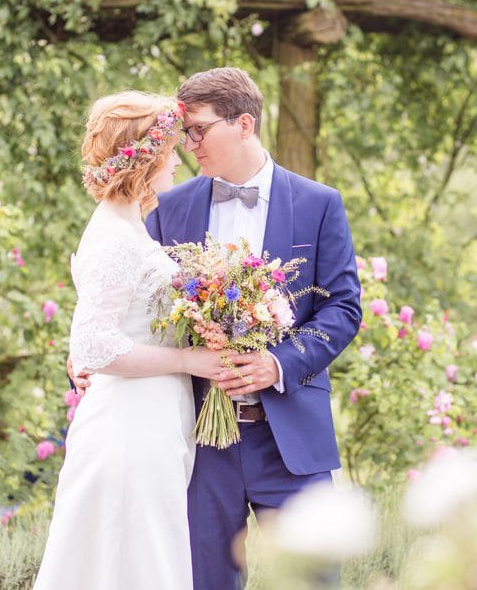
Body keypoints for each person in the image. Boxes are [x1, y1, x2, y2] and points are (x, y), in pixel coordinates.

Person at [76, 68, 363, 589]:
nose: (188, 145)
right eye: (184, 133)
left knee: (315, 581)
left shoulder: (320, 204)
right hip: (195, 441)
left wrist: (276, 363)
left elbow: (342, 309)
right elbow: (124, 298)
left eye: (199, 130)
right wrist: (85, 361)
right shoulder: (166, 206)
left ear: (244, 124)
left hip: (291, 440)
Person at [34, 91, 227, 589]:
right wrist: (190, 358)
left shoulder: (128, 227)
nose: (178, 164)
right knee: (133, 563)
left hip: (151, 421)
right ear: (144, 158)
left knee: (141, 561)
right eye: (170, 152)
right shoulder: (116, 239)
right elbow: (94, 346)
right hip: (128, 431)